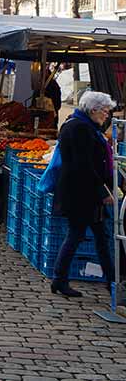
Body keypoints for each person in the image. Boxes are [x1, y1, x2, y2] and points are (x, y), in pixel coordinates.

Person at [49, 91, 116, 298]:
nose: (107, 116)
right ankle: (60, 279)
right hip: (80, 194)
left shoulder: (83, 126)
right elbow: (83, 164)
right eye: (105, 111)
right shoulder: (80, 128)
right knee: (76, 235)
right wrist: (102, 190)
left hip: (84, 193)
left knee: (101, 237)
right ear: (94, 109)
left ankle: (111, 280)